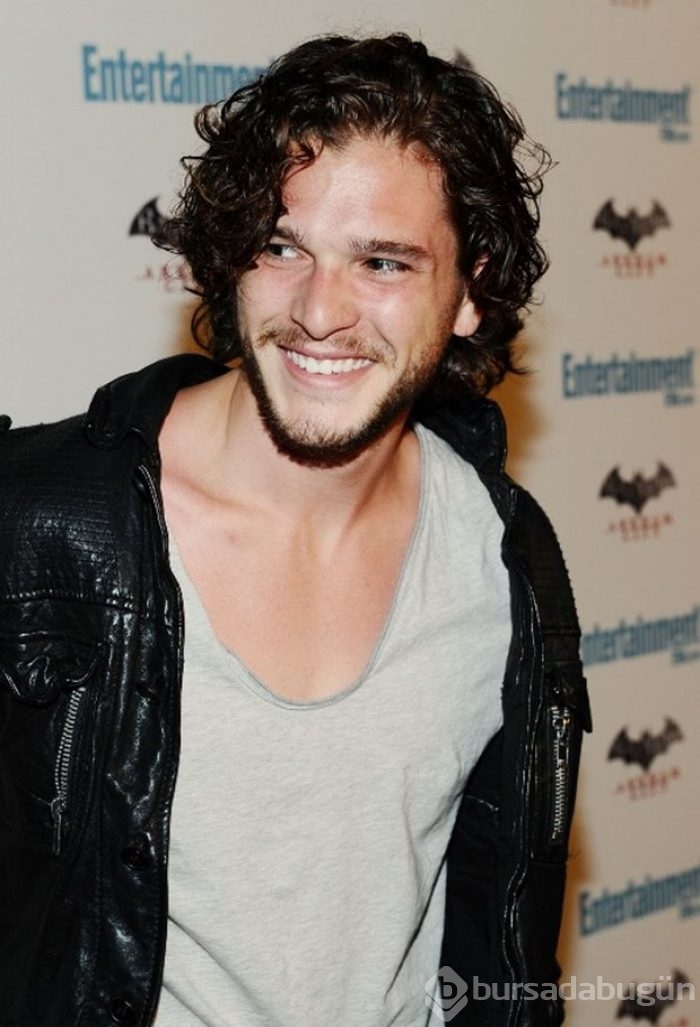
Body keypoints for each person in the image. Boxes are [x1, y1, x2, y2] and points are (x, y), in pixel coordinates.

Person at [0, 33, 591, 1027]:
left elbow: (504, 936)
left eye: (382, 262)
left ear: (470, 290)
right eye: (282, 248)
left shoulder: (504, 557)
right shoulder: (38, 527)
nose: (320, 312)